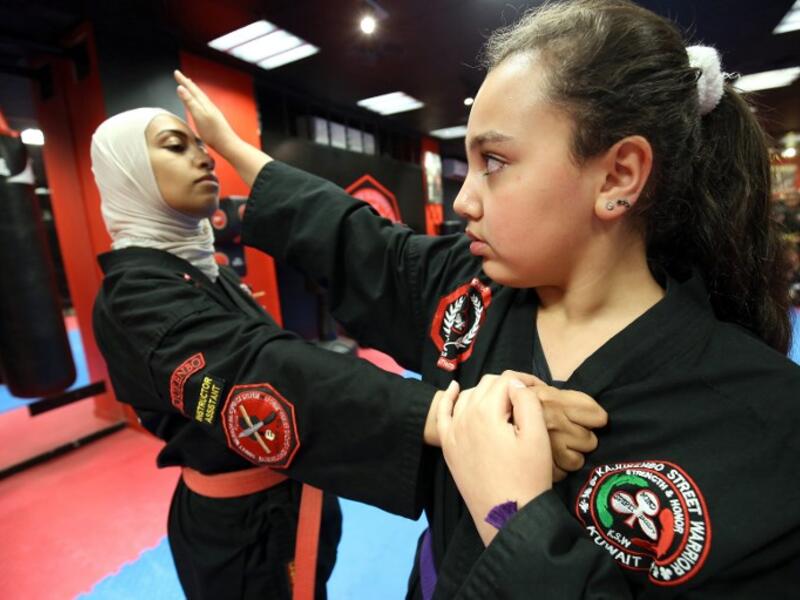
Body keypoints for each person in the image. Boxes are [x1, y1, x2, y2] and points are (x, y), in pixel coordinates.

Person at [174, 0, 800, 597]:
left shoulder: (764, 423)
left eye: (494, 161)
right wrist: (235, 153)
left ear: (617, 176)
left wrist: (514, 514)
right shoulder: (467, 288)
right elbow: (356, 240)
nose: (463, 201)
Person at [90, 107, 606, 599]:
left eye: (203, 145)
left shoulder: (205, 270)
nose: (202, 157)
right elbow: (259, 365)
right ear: (127, 172)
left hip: (292, 493)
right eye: (176, 146)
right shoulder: (132, 297)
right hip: (235, 526)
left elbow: (372, 252)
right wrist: (462, 418)